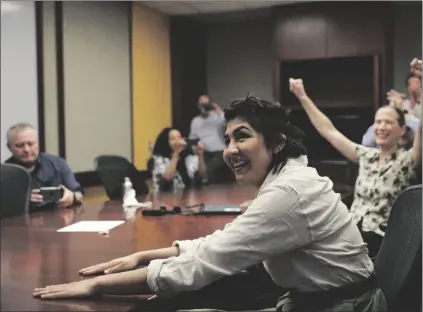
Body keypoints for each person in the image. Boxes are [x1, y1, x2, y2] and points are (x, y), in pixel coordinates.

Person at [33, 95, 385, 312]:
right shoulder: (288, 180)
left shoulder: (289, 194)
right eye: (228, 139)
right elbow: (218, 243)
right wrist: (145, 255)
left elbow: (202, 265)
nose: (230, 150)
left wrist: (98, 286)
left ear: (277, 143)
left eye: (242, 137)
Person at [289, 66, 422, 258]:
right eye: (378, 122)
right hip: (351, 233)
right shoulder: (367, 156)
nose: (381, 127)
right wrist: (302, 96)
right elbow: (329, 131)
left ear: (402, 129)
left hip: (381, 243)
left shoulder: (406, 160)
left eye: (388, 122)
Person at [4, 122, 83, 210]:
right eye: (19, 146)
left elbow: (79, 193)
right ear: (9, 147)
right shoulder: (4, 173)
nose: (26, 150)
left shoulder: (57, 163)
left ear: (38, 143)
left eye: (30, 144)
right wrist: (22, 201)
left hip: (59, 218)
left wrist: (73, 197)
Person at [362, 73, 421, 147]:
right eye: (411, 84)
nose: (415, 87)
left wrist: (403, 114)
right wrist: (393, 108)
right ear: (407, 87)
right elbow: (367, 143)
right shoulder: (404, 103)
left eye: (417, 83)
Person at [189, 94, 233, 184]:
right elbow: (192, 138)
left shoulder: (218, 117)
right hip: (203, 152)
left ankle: (210, 190)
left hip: (219, 152)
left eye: (206, 105)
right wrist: (195, 151)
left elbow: (229, 122)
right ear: (198, 106)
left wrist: (218, 110)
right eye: (202, 105)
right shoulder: (195, 121)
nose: (204, 107)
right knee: (196, 172)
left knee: (209, 170)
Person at [150, 127, 207, 192]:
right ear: (165, 142)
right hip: (165, 197)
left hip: (187, 196)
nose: (177, 141)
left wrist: (200, 155)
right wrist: (176, 154)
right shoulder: (158, 159)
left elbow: (203, 175)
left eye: (179, 137)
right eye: (172, 139)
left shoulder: (188, 157)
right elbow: (168, 178)